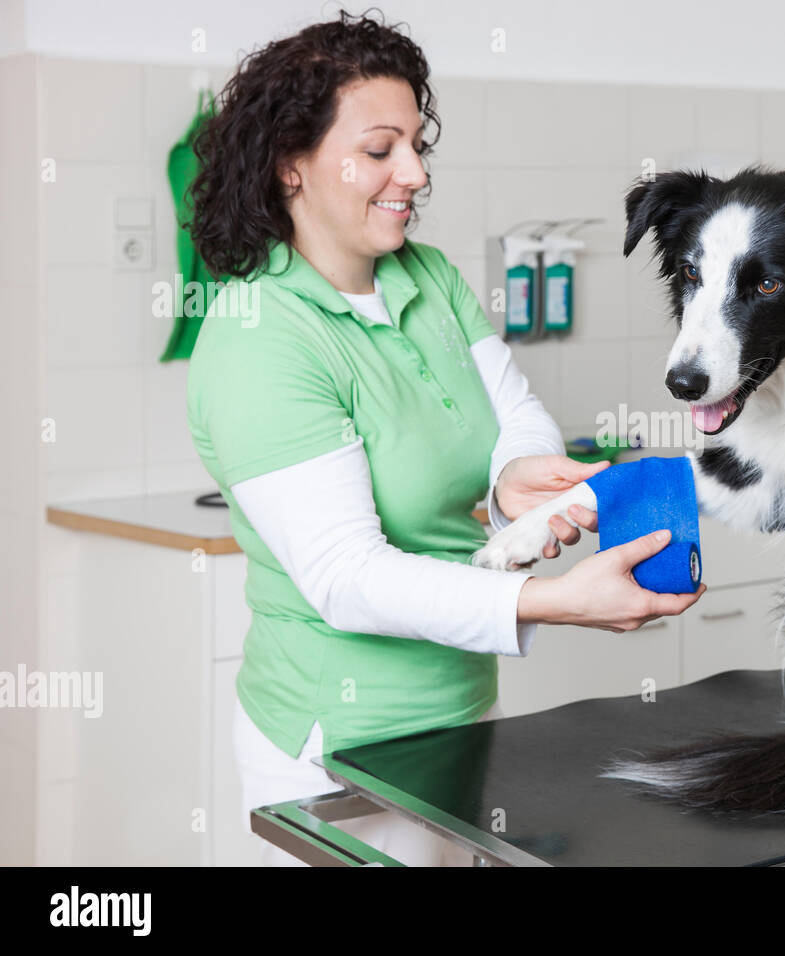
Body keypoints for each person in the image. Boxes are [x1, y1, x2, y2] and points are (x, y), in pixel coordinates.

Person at [184, 10, 704, 866]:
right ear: (290, 165)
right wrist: (553, 600)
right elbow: (347, 581)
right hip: (336, 751)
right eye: (382, 150)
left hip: (461, 723)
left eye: (418, 145)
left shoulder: (425, 276)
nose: (416, 174)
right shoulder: (258, 336)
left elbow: (514, 413)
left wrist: (512, 479)